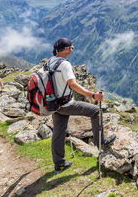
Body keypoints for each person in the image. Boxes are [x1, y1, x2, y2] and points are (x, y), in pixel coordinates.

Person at [49, 38, 116, 174]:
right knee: (95, 110)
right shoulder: (65, 64)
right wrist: (93, 95)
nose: (73, 50)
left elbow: (56, 79)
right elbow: (72, 85)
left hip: (53, 103)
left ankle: (59, 164)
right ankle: (101, 142)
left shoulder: (51, 61)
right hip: (65, 103)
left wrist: (71, 75)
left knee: (58, 132)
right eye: (72, 47)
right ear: (67, 49)